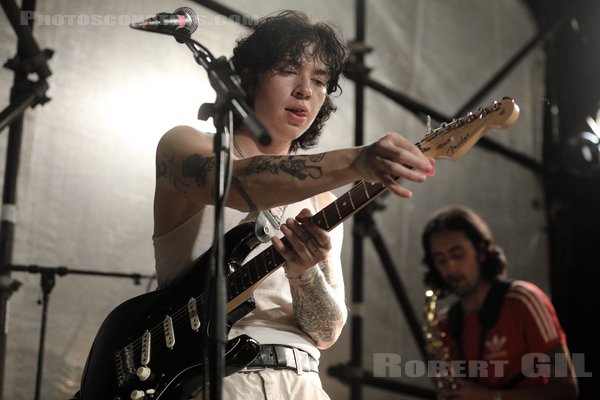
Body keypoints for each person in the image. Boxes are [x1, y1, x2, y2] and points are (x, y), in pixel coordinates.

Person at [153, 10, 434, 399]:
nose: (306, 90)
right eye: (289, 70)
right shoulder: (185, 145)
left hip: (302, 382)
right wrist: (356, 161)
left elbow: (327, 331)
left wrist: (304, 274)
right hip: (212, 378)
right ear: (249, 76)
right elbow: (237, 185)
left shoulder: (322, 201)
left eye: (320, 81)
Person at [420, 205, 578, 400]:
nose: (450, 268)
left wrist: (493, 397)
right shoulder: (443, 323)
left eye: (457, 255)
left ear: (481, 251)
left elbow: (566, 390)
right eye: (441, 260)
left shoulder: (523, 300)